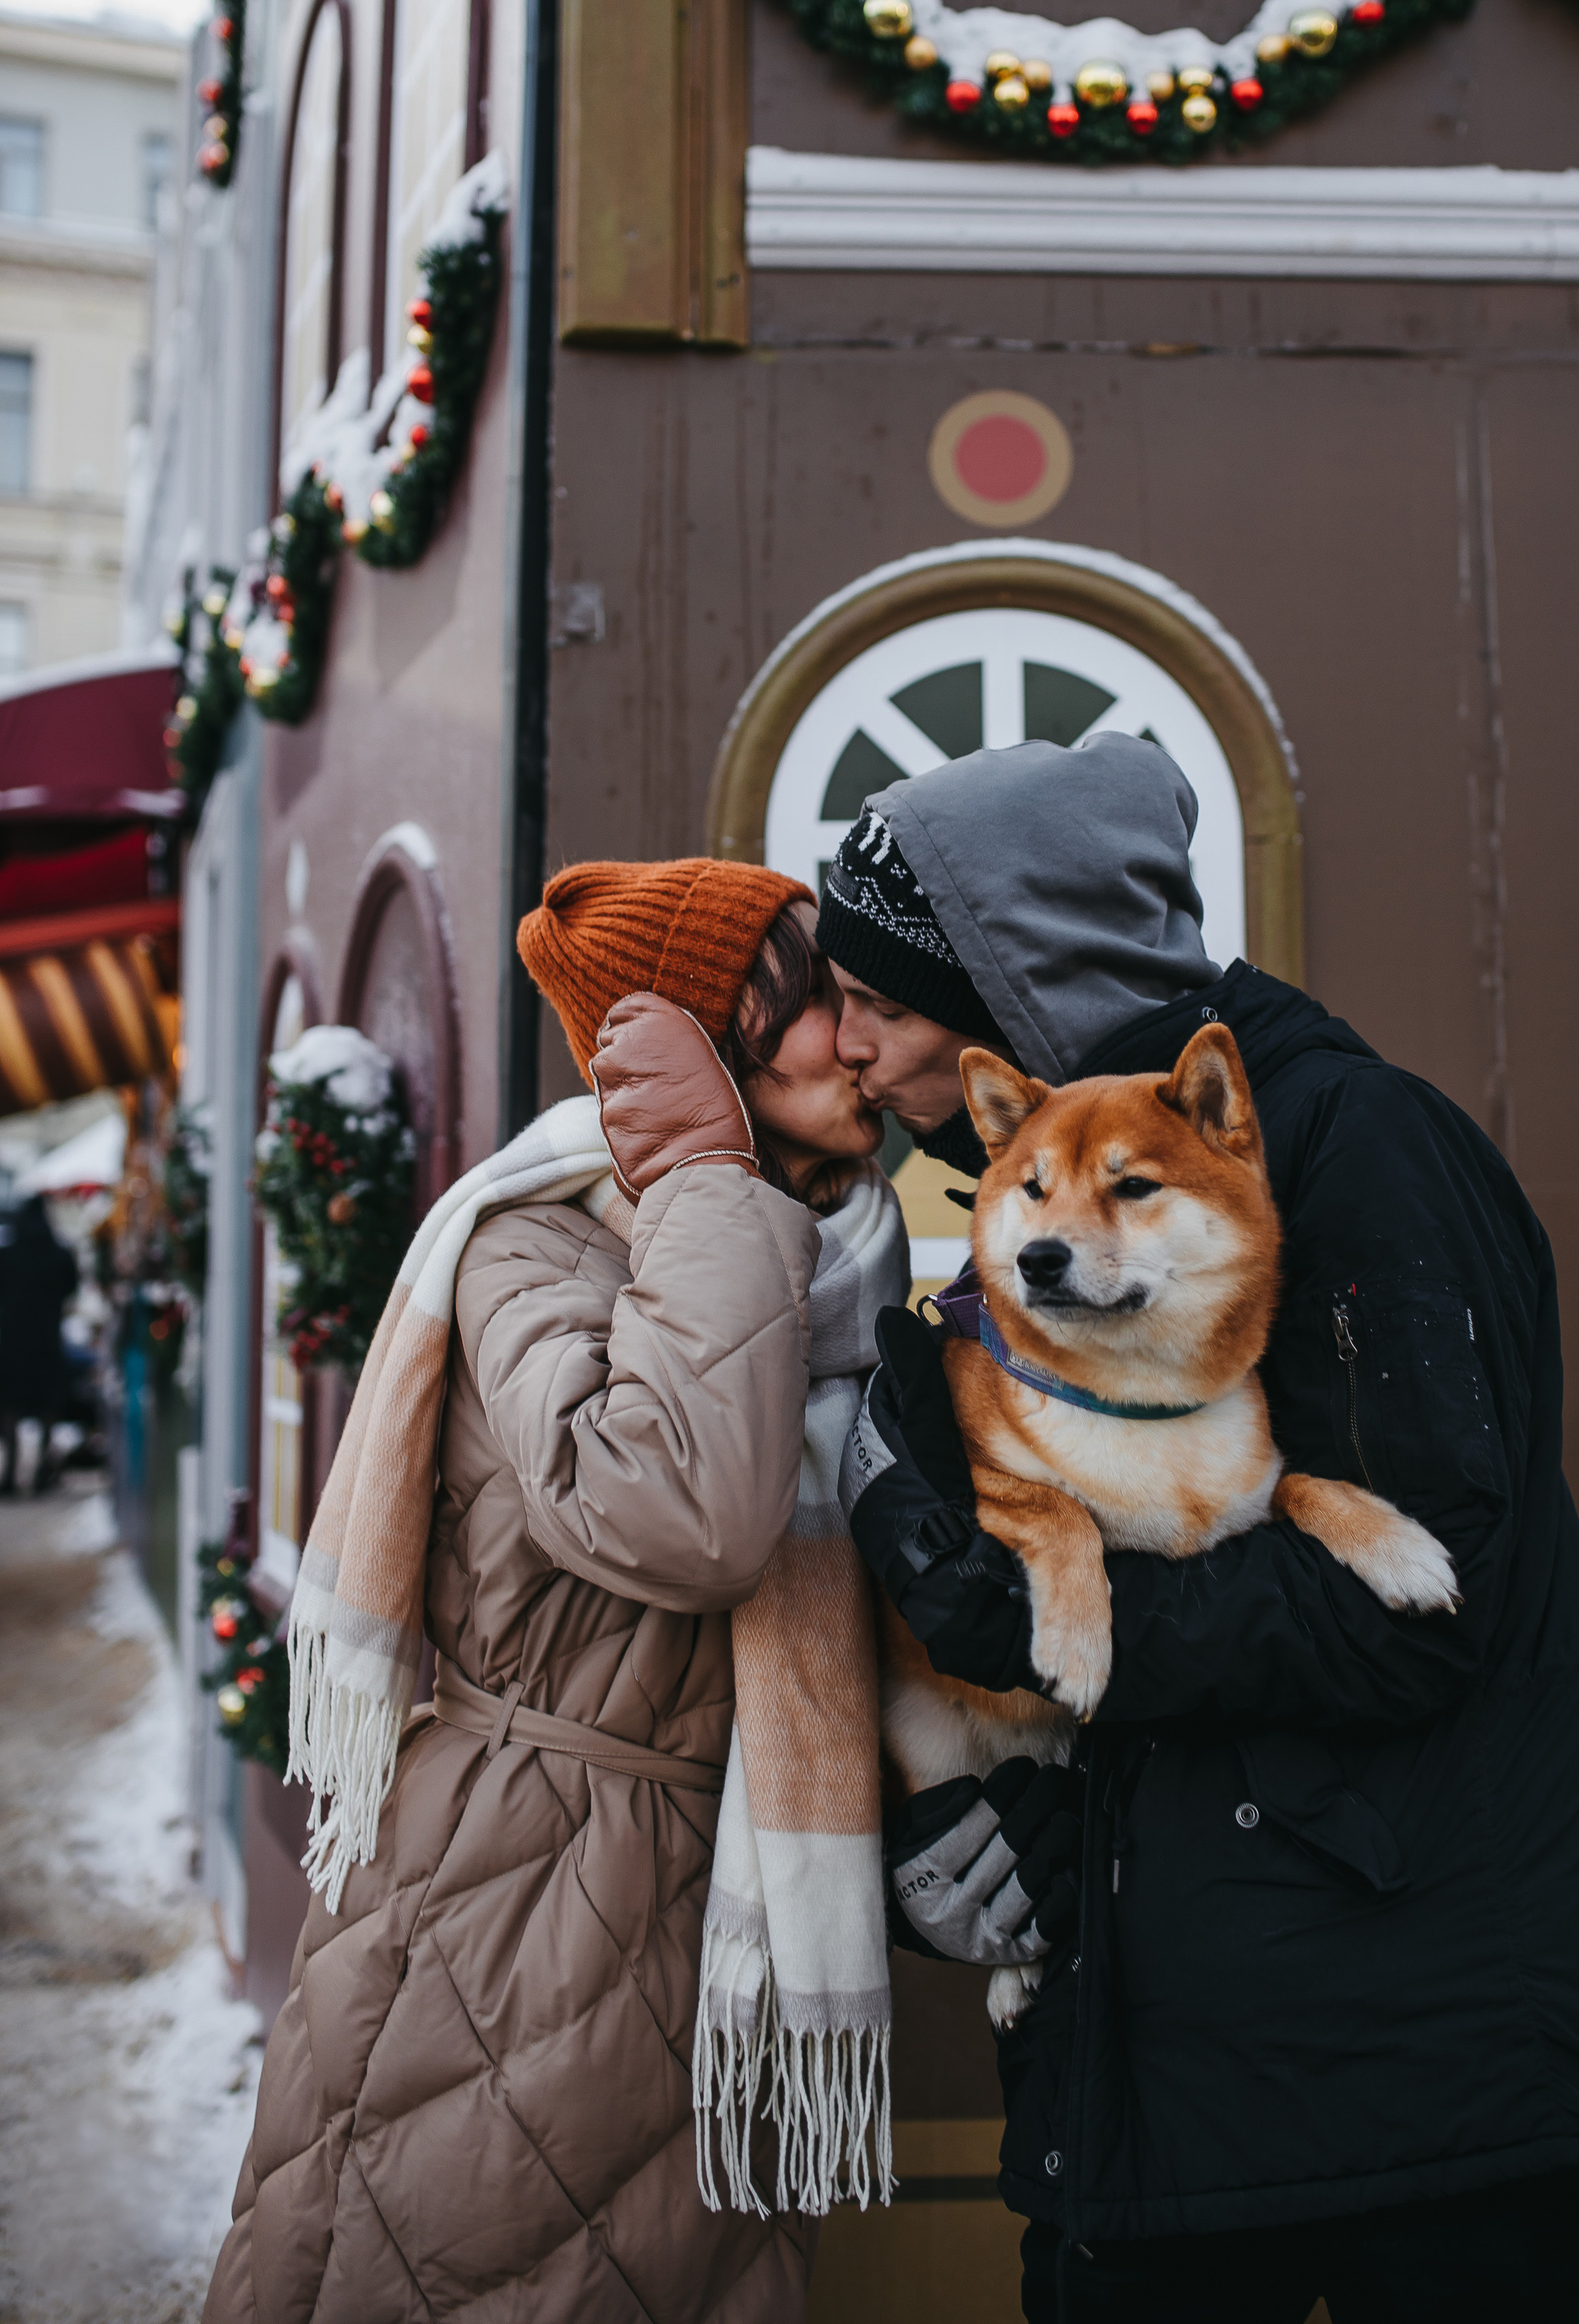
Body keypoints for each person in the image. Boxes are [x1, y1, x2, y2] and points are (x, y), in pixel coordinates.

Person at [817, 738, 1579, 2324]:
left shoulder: (1357, 1156)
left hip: (1428, 2123)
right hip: (1163, 2111)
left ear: (1017, 991)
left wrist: (1032, 1620)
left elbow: (1418, 1595)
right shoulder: (1013, 1244)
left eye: (877, 1001)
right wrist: (976, 1824)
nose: (848, 1049)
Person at [206, 858, 908, 2324]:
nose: (857, 1038)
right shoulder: (536, 1247)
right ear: (706, 1043)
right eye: (813, 1003)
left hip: (710, 1945)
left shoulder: (831, 1268)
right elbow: (680, 1514)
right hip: (515, 1924)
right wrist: (707, 1179)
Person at [0, 1191, 79, 1493]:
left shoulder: (7, 1253)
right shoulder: (59, 1254)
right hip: (47, 1338)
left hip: (13, 1340)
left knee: (10, 1406)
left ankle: (9, 1473)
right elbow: (72, 1289)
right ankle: (43, 1470)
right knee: (48, 1405)